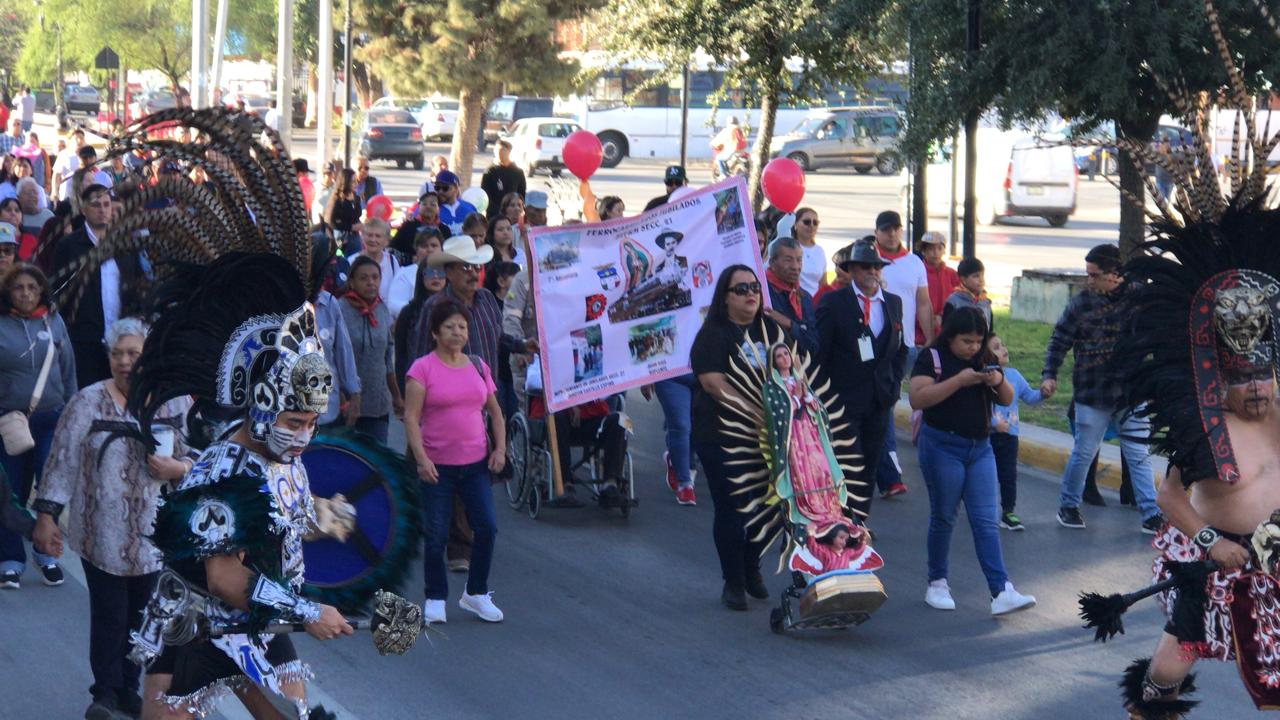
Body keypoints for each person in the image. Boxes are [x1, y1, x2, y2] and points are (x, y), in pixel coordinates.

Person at [1094, 125, 1280, 715]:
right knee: (1181, 650)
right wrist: (1210, 542)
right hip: (1212, 555)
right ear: (1218, 377)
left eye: (1262, 377)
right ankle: (1148, 708)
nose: (1254, 389)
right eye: (1241, 380)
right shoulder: (1200, 424)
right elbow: (1167, 493)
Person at [32, 317, 193, 720]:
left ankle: (127, 687)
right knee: (110, 615)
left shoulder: (174, 403)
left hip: (153, 538)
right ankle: (104, 691)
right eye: (117, 354)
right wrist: (47, 516)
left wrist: (179, 468)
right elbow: (62, 462)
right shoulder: (86, 402)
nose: (124, 362)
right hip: (100, 533)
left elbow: (202, 455)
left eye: (133, 354)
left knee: (143, 617)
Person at [909, 306, 1036, 616]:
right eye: (966, 341)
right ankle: (937, 582)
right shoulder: (933, 358)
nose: (973, 347)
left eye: (978, 341)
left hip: (980, 449)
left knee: (986, 521)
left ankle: (1001, 590)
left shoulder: (983, 359)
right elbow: (917, 398)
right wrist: (959, 381)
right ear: (950, 336)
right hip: (942, 446)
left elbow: (1006, 399)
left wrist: (996, 379)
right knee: (944, 515)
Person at [1041, 243, 1161, 533]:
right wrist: (1049, 374)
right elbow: (1059, 340)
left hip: (1132, 393)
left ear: (1114, 274)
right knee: (1084, 451)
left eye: (1093, 275)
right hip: (1092, 393)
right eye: (1087, 275)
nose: (1089, 281)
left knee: (1139, 454)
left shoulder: (1138, 299)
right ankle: (1068, 506)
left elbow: (1157, 334)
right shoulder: (1081, 304)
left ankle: (1151, 514)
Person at [404, 300, 506, 624]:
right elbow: (410, 417)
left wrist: (500, 449)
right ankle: (435, 596)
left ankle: (476, 593)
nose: (457, 332)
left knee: (487, 527)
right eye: (449, 326)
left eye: (462, 326)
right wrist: (421, 460)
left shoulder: (478, 365)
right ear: (435, 332)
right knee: (436, 535)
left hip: (475, 463)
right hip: (438, 466)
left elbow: (496, 412)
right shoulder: (422, 369)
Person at [690, 264, 783, 610]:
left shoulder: (770, 329)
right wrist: (757, 413)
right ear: (725, 298)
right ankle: (733, 580)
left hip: (770, 437)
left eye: (755, 288)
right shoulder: (714, 333)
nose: (750, 295)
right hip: (722, 435)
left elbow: (790, 370)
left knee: (772, 505)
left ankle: (751, 563)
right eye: (741, 289)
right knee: (732, 508)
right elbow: (713, 384)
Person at [816, 239, 906, 517]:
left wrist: (894, 387)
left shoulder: (893, 303)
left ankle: (859, 521)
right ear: (852, 270)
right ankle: (840, 519)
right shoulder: (833, 303)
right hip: (842, 400)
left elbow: (901, 349)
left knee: (869, 461)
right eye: (865, 267)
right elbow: (820, 352)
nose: (872, 272)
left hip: (879, 399)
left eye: (877, 267)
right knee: (845, 460)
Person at [0, 263, 75, 589]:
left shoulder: (54, 321)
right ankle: (10, 560)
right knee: (11, 492)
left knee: (50, 489)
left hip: (51, 419)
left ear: (42, 290)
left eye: (33, 287)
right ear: (8, 293)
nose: (27, 294)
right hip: (9, 421)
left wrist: (74, 414)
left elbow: (68, 369)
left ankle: (46, 554)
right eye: (20, 288)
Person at [52, 183, 146, 390]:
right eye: (96, 205)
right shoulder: (68, 246)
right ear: (83, 208)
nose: (102, 210)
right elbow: (57, 291)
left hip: (121, 342)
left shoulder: (125, 244)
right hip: (84, 342)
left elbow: (139, 285)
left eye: (106, 204)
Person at [873, 210, 933, 498]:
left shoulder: (914, 263)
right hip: (875, 347)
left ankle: (882, 467)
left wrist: (930, 340)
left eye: (896, 228)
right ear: (877, 232)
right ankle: (890, 473)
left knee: (885, 403)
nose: (892, 234)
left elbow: (923, 303)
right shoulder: (868, 261)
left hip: (905, 346)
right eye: (886, 229)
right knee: (885, 404)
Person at [338, 256, 403, 444]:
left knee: (377, 465)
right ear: (351, 282)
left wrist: (397, 397)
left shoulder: (381, 309)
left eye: (375, 277)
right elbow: (332, 360)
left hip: (378, 403)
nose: (371, 282)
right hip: (347, 405)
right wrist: (343, 400)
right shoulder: (340, 310)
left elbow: (387, 359)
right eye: (364, 278)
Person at [986, 334, 1043, 531]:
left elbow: (1030, 397)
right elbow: (978, 407)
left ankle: (1008, 511)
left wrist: (1043, 392)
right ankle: (980, 508)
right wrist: (994, 423)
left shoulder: (1014, 376)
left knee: (1009, 475)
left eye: (1002, 345)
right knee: (985, 474)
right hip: (988, 436)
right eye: (996, 347)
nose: (1003, 349)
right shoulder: (984, 378)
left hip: (1010, 436)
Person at [763, 236, 818, 355]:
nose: (795, 267)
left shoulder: (804, 297)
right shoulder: (761, 292)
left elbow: (813, 345)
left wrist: (790, 325)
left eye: (799, 260)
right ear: (772, 263)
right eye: (788, 260)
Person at [484, 260, 521, 422]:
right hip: (496, 367)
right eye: (515, 276)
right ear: (501, 281)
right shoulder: (489, 303)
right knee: (497, 414)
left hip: (515, 368)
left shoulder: (521, 303)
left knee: (514, 413)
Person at [919, 231, 959, 345]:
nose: (935, 253)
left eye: (939, 248)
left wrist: (943, 316)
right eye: (931, 249)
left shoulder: (952, 274)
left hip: (947, 330)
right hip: (921, 333)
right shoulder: (918, 272)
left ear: (944, 250)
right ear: (923, 251)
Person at [351, 217, 402, 303]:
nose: (373, 240)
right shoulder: (352, 261)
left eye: (378, 236)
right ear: (362, 237)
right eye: (369, 235)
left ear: (386, 241)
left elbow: (397, 289)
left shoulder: (392, 261)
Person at [391, 191, 451, 258]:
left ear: (438, 209)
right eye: (424, 204)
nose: (428, 207)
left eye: (433, 204)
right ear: (419, 207)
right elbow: (393, 248)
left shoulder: (444, 229)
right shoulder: (408, 226)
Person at [480, 139, 526, 220]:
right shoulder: (490, 171)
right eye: (497, 150)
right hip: (494, 214)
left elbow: (521, 194)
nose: (499, 153)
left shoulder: (518, 172)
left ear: (509, 152)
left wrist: (517, 209)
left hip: (513, 215)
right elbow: (485, 194)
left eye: (502, 150)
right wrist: (498, 211)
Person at [942, 257, 993, 330]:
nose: (981, 280)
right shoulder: (954, 301)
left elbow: (989, 330)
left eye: (982, 275)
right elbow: (946, 329)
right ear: (963, 280)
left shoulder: (985, 302)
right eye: (976, 276)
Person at [323, 167, 362, 253]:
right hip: (341, 239)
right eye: (353, 182)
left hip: (355, 237)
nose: (356, 184)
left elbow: (357, 215)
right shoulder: (337, 199)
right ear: (346, 182)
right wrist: (351, 227)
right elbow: (330, 221)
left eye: (356, 181)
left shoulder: (356, 197)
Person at [791, 207, 827, 297]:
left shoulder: (820, 251)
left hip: (815, 303)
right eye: (807, 222)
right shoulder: (789, 248)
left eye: (815, 223)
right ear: (795, 224)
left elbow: (823, 283)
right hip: (795, 300)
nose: (811, 225)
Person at [434, 171, 476, 235]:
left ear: (456, 188)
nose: (440, 191)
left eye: (445, 188)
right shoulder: (431, 209)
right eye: (437, 188)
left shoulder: (470, 208)